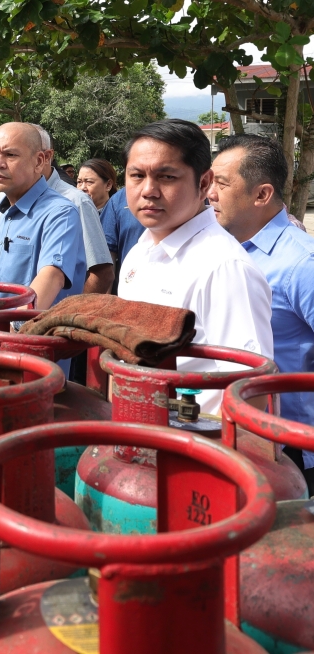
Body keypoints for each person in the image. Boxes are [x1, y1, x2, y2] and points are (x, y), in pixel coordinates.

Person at [119, 119, 273, 415]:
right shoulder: (140, 251)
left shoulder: (224, 267)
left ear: (203, 183)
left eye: (166, 177)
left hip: (194, 446)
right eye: (137, 175)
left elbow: (250, 388)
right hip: (138, 432)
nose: (148, 190)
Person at [208, 134, 314, 488]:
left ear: (262, 194)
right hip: (241, 434)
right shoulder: (222, 252)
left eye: (222, 184)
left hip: (293, 446)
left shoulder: (301, 263)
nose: (210, 194)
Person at [0, 122, 86, 311]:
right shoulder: (2, 207)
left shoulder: (60, 213)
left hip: (29, 336)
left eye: (10, 155)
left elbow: (52, 276)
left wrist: (9, 330)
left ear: (39, 161)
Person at [33, 125, 113, 294]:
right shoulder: (2, 202)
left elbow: (102, 273)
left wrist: (73, 314)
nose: (0, 163)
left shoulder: (76, 202)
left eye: (12, 154)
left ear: (45, 157)